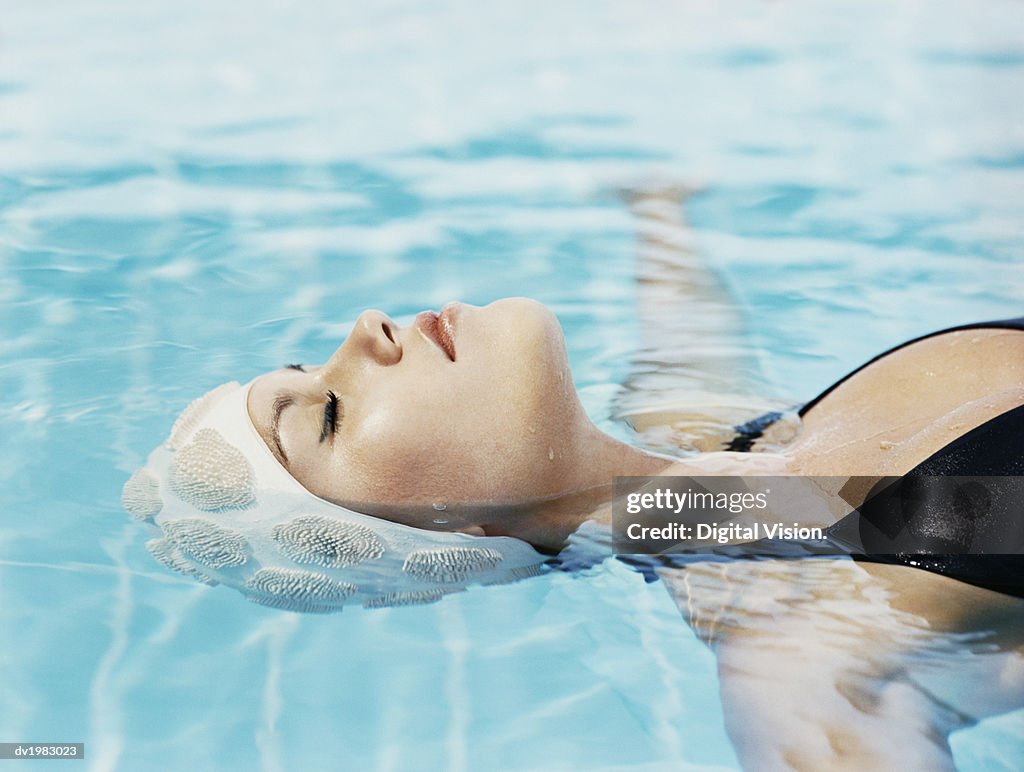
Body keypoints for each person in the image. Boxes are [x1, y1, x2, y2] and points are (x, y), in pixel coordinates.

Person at [126, 187, 1023, 769]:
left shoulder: (723, 442)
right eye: (326, 413)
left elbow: (683, 323)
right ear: (435, 534)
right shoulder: (801, 646)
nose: (365, 330)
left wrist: (657, 201)